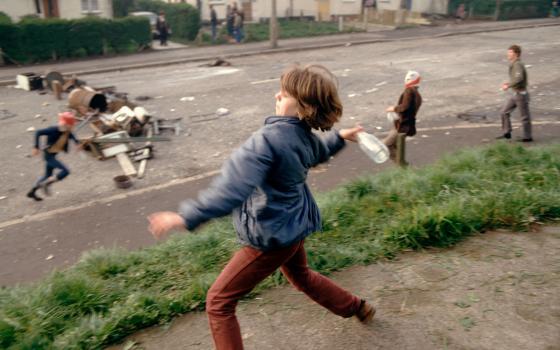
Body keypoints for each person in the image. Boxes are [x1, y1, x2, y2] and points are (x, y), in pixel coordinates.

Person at [148, 64, 376, 350]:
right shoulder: (304, 134)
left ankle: (356, 307)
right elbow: (318, 153)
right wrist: (340, 138)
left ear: (304, 106)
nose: (277, 95)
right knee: (302, 277)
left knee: (218, 303)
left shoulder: (265, 141)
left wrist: (183, 217)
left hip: (271, 236)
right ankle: (357, 307)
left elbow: (232, 190)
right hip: (295, 226)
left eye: (285, 93)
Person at [26, 112, 80, 201]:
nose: (72, 127)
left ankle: (32, 192)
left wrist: (77, 143)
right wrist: (36, 147)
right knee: (65, 171)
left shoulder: (67, 131)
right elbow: (38, 132)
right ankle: (47, 184)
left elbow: (71, 135)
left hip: (53, 155)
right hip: (49, 156)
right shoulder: (53, 130)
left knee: (47, 176)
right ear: (66, 124)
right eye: (71, 125)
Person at [384, 70, 422, 164]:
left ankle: (402, 167)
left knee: (387, 145)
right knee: (396, 146)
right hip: (406, 125)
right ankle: (401, 167)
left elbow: (405, 107)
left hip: (402, 125)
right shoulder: (417, 93)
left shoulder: (409, 91)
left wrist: (393, 108)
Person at [497, 45, 533, 142]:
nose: (508, 54)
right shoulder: (514, 64)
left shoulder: (517, 64)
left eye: (510, 52)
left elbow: (519, 78)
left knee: (524, 117)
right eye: (508, 52)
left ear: (516, 54)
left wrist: (508, 86)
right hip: (515, 93)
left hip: (521, 94)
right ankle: (507, 132)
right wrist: (509, 83)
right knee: (504, 112)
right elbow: (517, 79)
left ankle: (527, 137)